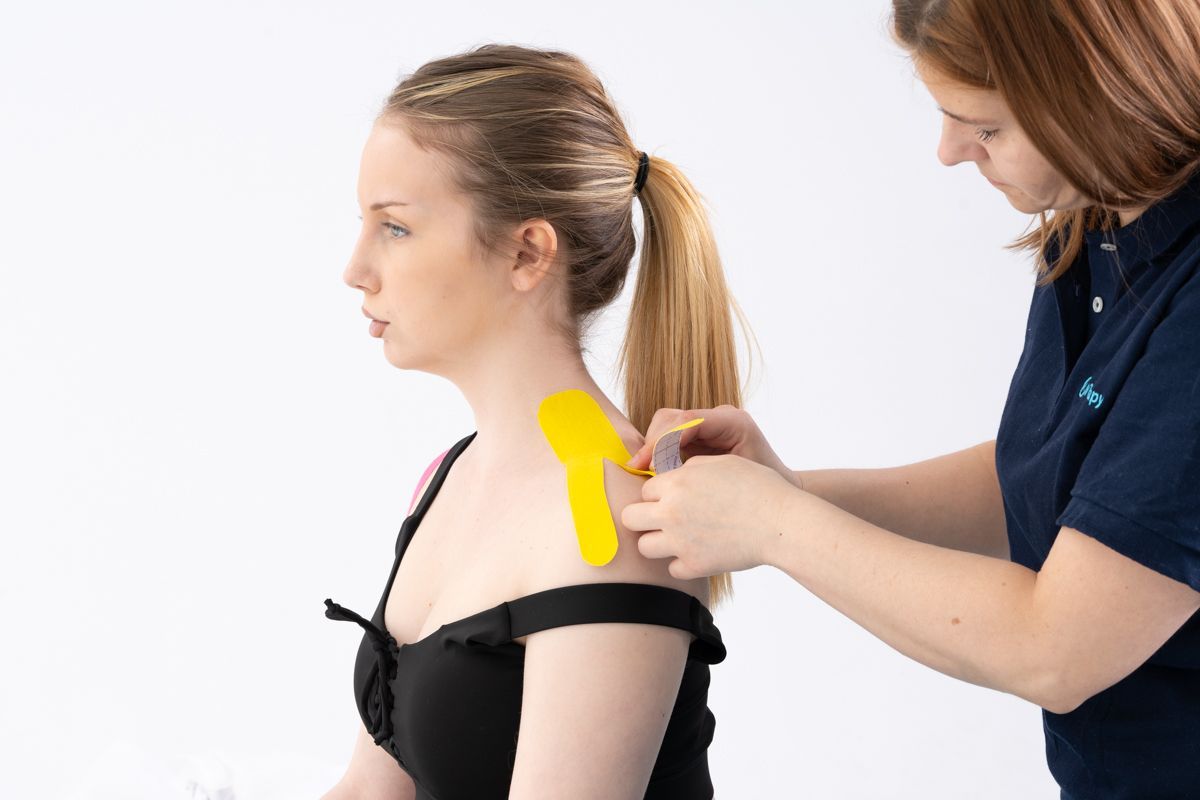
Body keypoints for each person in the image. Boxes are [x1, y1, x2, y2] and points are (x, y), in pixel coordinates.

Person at [622, 1, 1200, 798]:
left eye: (986, 128)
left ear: (1096, 91)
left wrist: (776, 525)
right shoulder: (1094, 220)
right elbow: (1068, 487)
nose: (949, 152)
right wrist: (782, 491)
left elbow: (1055, 647)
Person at [320, 44, 744, 800]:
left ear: (527, 251)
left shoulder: (615, 518)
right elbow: (368, 789)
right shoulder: (449, 476)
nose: (355, 267)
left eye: (396, 228)